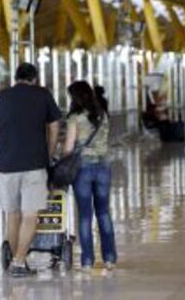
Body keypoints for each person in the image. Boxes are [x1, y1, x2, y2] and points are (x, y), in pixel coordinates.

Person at [0, 63, 62, 277]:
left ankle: (15, 259)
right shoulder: (42, 94)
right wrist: (50, 150)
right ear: (34, 78)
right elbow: (55, 125)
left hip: (6, 166)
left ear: (15, 77)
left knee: (12, 214)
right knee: (30, 215)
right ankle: (19, 262)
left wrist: (1, 149)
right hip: (34, 164)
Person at [63, 81, 117, 272]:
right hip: (103, 166)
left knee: (85, 215)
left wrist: (63, 156)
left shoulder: (75, 118)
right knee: (104, 213)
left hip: (83, 169)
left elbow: (69, 148)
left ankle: (87, 261)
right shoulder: (102, 114)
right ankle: (109, 258)